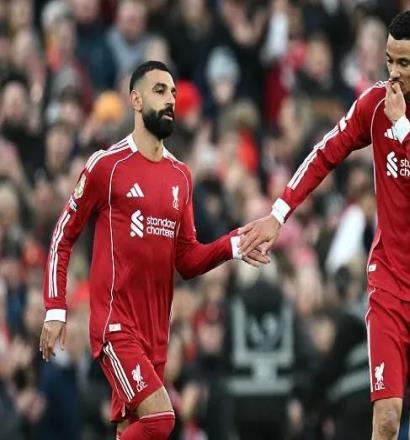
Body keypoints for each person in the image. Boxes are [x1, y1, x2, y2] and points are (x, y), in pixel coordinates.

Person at [239, 10, 410, 440]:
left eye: (403, 63)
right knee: (386, 417)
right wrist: (278, 213)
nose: (393, 73)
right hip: (388, 282)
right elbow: (325, 152)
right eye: (388, 61)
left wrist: (402, 126)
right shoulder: (375, 104)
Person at [39, 60, 269, 440]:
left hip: (156, 332)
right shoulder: (107, 166)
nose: (170, 101)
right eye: (160, 91)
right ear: (135, 99)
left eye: (173, 93)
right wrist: (55, 308)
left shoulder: (181, 176)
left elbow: (187, 260)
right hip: (115, 325)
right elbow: (63, 235)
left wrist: (233, 245)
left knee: (135, 430)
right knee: (162, 419)